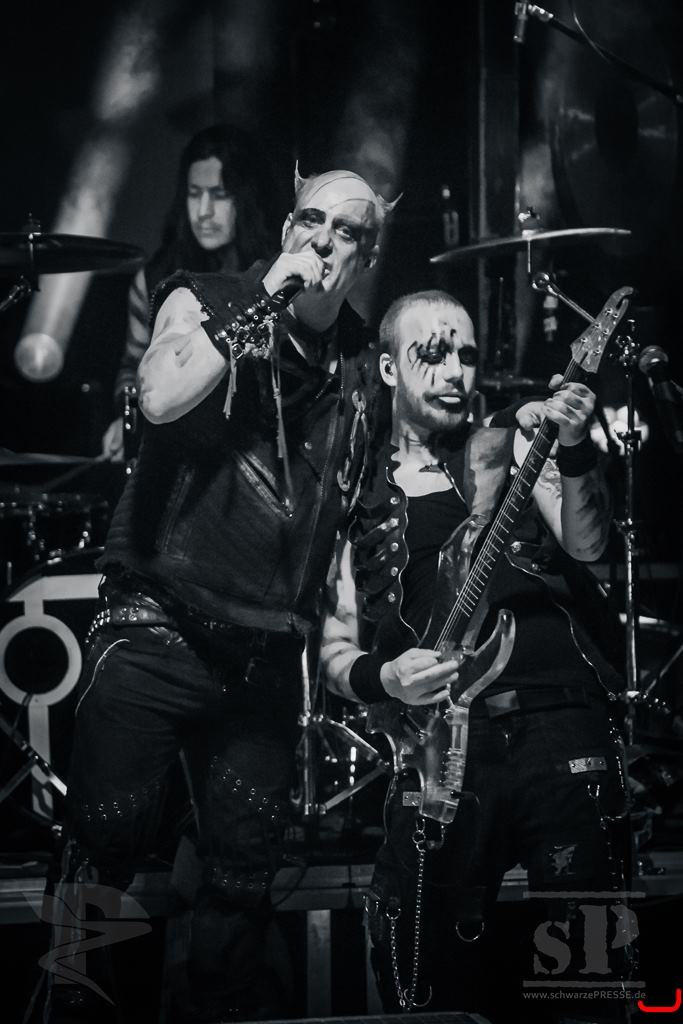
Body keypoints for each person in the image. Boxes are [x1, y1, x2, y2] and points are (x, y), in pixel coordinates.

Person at [45, 166, 398, 1024]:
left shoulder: (362, 370)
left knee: (242, 882)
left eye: (345, 230)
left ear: (365, 256)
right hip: (156, 626)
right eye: (309, 220)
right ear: (284, 229)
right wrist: (265, 302)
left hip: (263, 657)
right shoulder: (205, 296)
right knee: (102, 855)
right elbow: (160, 396)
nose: (321, 240)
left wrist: (366, 663)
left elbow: (349, 526)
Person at [320, 289, 635, 1024]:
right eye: (432, 354)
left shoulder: (511, 447)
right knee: (421, 978)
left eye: (465, 354)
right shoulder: (353, 496)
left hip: (559, 726)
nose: (454, 371)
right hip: (438, 752)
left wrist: (575, 447)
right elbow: (334, 648)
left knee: (590, 982)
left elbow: (589, 545)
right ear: (389, 369)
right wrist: (386, 676)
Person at [101, 122, 280, 463]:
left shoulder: (273, 277)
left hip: (254, 453)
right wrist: (126, 419)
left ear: (247, 198)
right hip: (172, 452)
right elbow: (132, 364)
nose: (204, 211)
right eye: (195, 193)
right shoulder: (155, 277)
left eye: (220, 195)